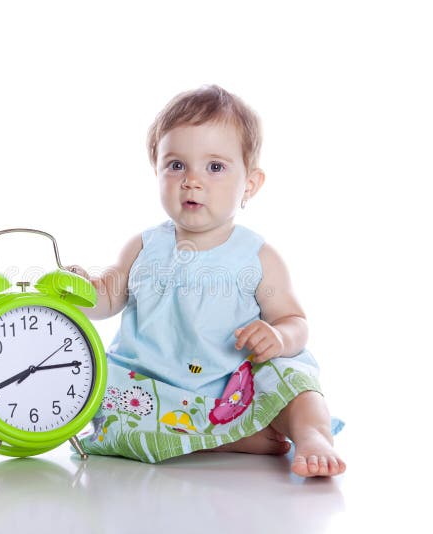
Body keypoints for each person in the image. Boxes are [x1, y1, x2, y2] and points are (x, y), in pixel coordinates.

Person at [67, 85, 345, 477]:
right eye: (176, 165)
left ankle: (312, 435)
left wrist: (279, 337)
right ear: (157, 170)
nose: (191, 181)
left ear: (250, 184)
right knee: (106, 405)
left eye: (214, 167)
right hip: (155, 389)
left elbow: (295, 322)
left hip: (235, 388)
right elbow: (105, 299)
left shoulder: (257, 257)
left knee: (293, 378)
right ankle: (234, 439)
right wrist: (81, 290)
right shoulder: (143, 247)